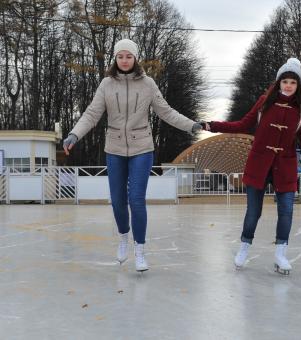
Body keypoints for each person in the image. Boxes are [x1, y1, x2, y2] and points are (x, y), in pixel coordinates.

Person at [63, 39, 203, 272]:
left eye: (129, 56)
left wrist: (191, 125)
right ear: (115, 59)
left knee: (136, 199)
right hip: (115, 149)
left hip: (142, 148)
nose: (125, 60)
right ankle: (123, 238)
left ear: (135, 58)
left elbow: (165, 111)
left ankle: (140, 249)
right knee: (118, 201)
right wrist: (74, 135)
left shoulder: (147, 84)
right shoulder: (106, 84)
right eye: (120, 56)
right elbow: (91, 114)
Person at [203, 58, 301, 274]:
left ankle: (280, 253)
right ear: (278, 82)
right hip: (259, 164)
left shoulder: (300, 111)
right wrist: (211, 125)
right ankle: (244, 247)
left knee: (287, 211)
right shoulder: (264, 102)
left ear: (298, 86)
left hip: (285, 167)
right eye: (285, 81)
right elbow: (242, 124)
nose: (288, 85)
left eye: (293, 82)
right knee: (254, 211)